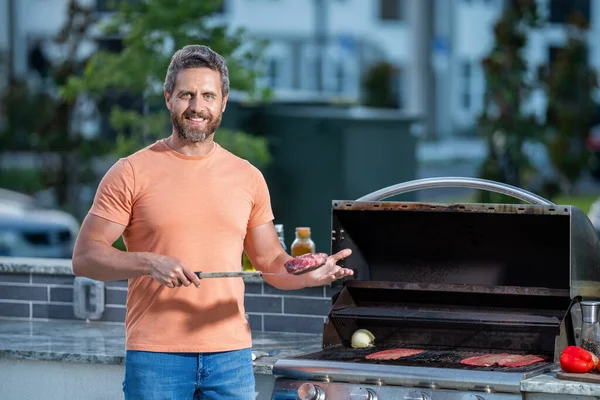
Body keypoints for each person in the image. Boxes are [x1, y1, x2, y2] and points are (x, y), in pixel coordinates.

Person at [72, 44, 354, 400]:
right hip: (156, 356)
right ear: (168, 98)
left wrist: (307, 276)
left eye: (207, 95)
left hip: (230, 357)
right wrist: (148, 262)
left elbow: (269, 262)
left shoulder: (247, 176)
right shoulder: (131, 172)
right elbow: (84, 257)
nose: (196, 106)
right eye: (186, 94)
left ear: (222, 102)